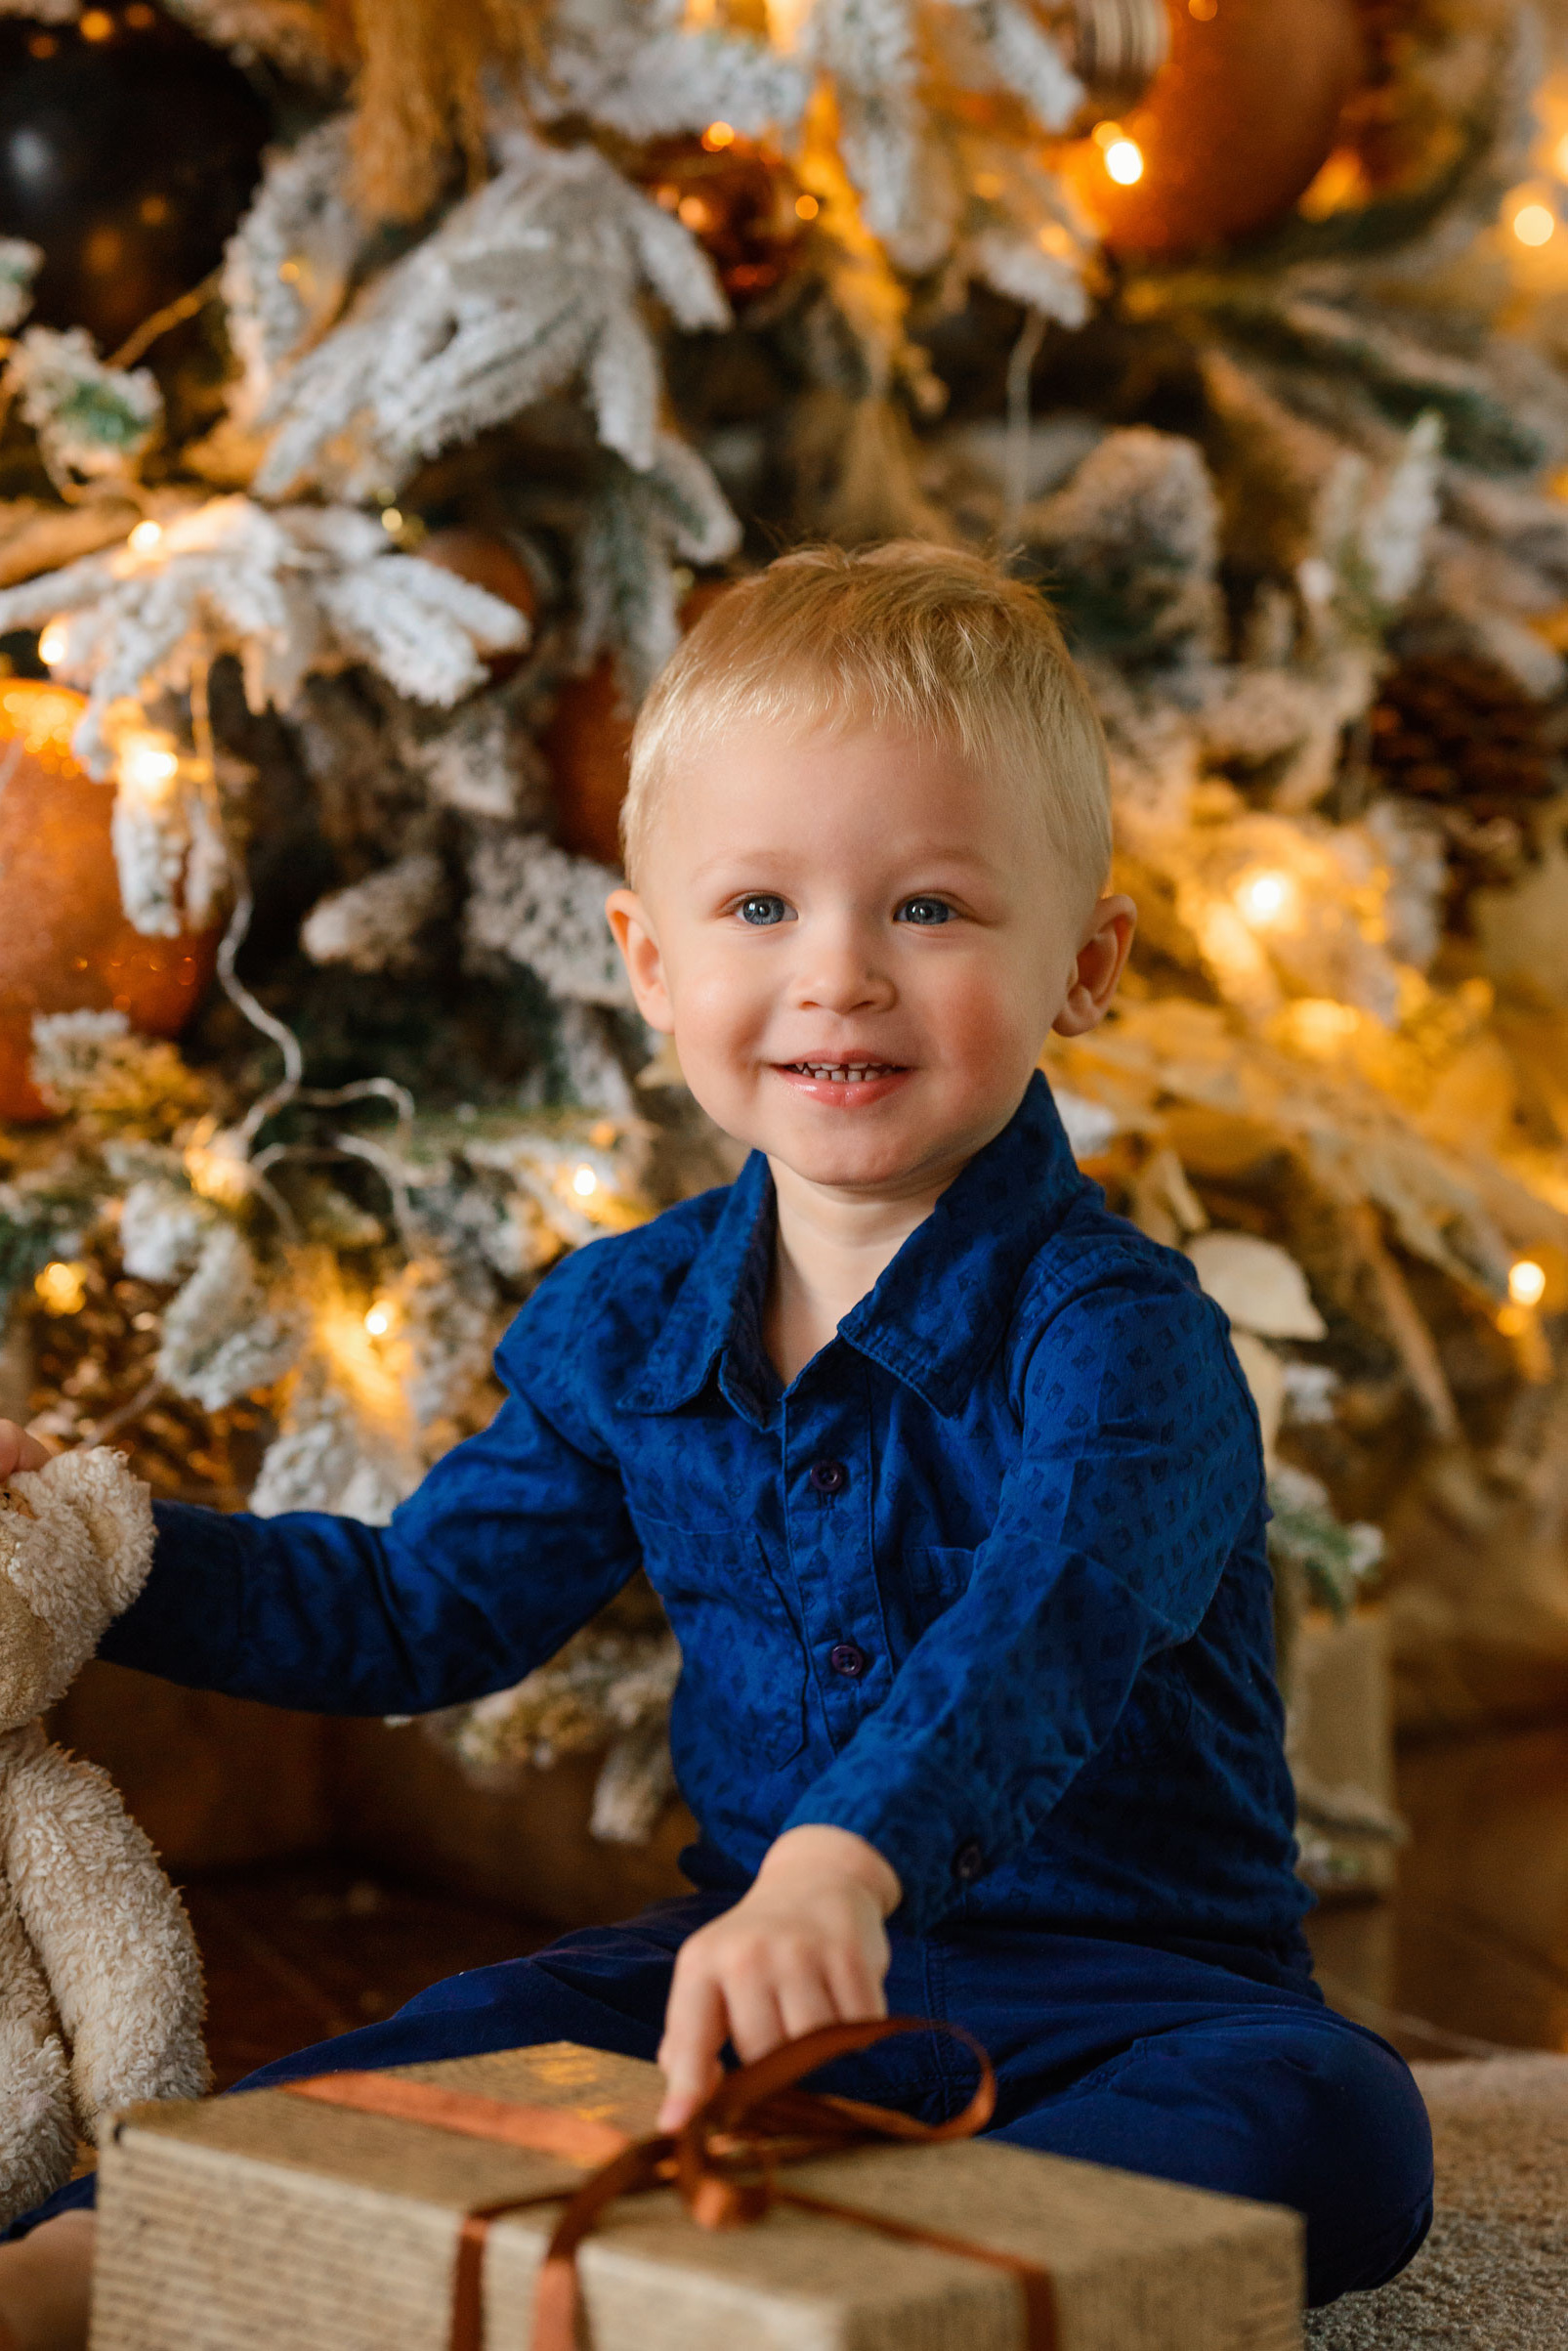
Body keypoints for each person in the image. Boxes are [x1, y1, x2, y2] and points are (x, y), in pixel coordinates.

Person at [0, 544, 1432, 2347]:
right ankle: (91, 2266)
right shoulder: (635, 1324)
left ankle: (868, 2269)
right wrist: (97, 1531)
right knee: (444, 2048)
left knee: (1338, 2122)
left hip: (1132, 1994)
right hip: (747, 1982)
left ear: (1084, 962)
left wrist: (842, 1860)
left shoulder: (1125, 1338)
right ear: (650, 963)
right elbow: (410, 1609)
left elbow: (1044, 1627)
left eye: (929, 907)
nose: (838, 975)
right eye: (760, 908)